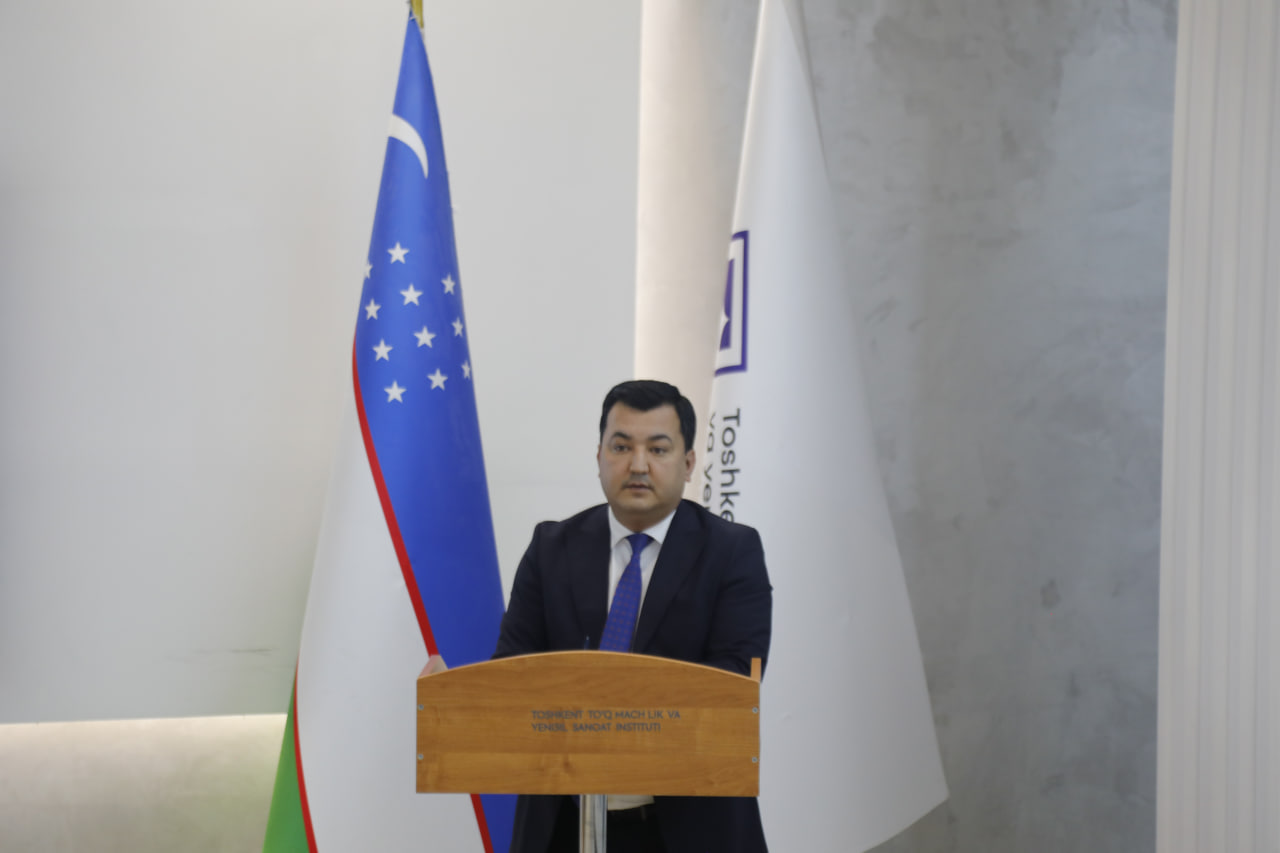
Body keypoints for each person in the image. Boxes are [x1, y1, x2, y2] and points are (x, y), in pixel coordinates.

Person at [494, 379, 772, 853]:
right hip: (562, 826)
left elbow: (728, 689)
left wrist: (594, 709)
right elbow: (513, 674)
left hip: (685, 828)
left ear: (688, 463)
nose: (638, 465)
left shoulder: (731, 552)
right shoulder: (551, 548)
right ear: (599, 456)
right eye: (621, 447)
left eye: (657, 449)